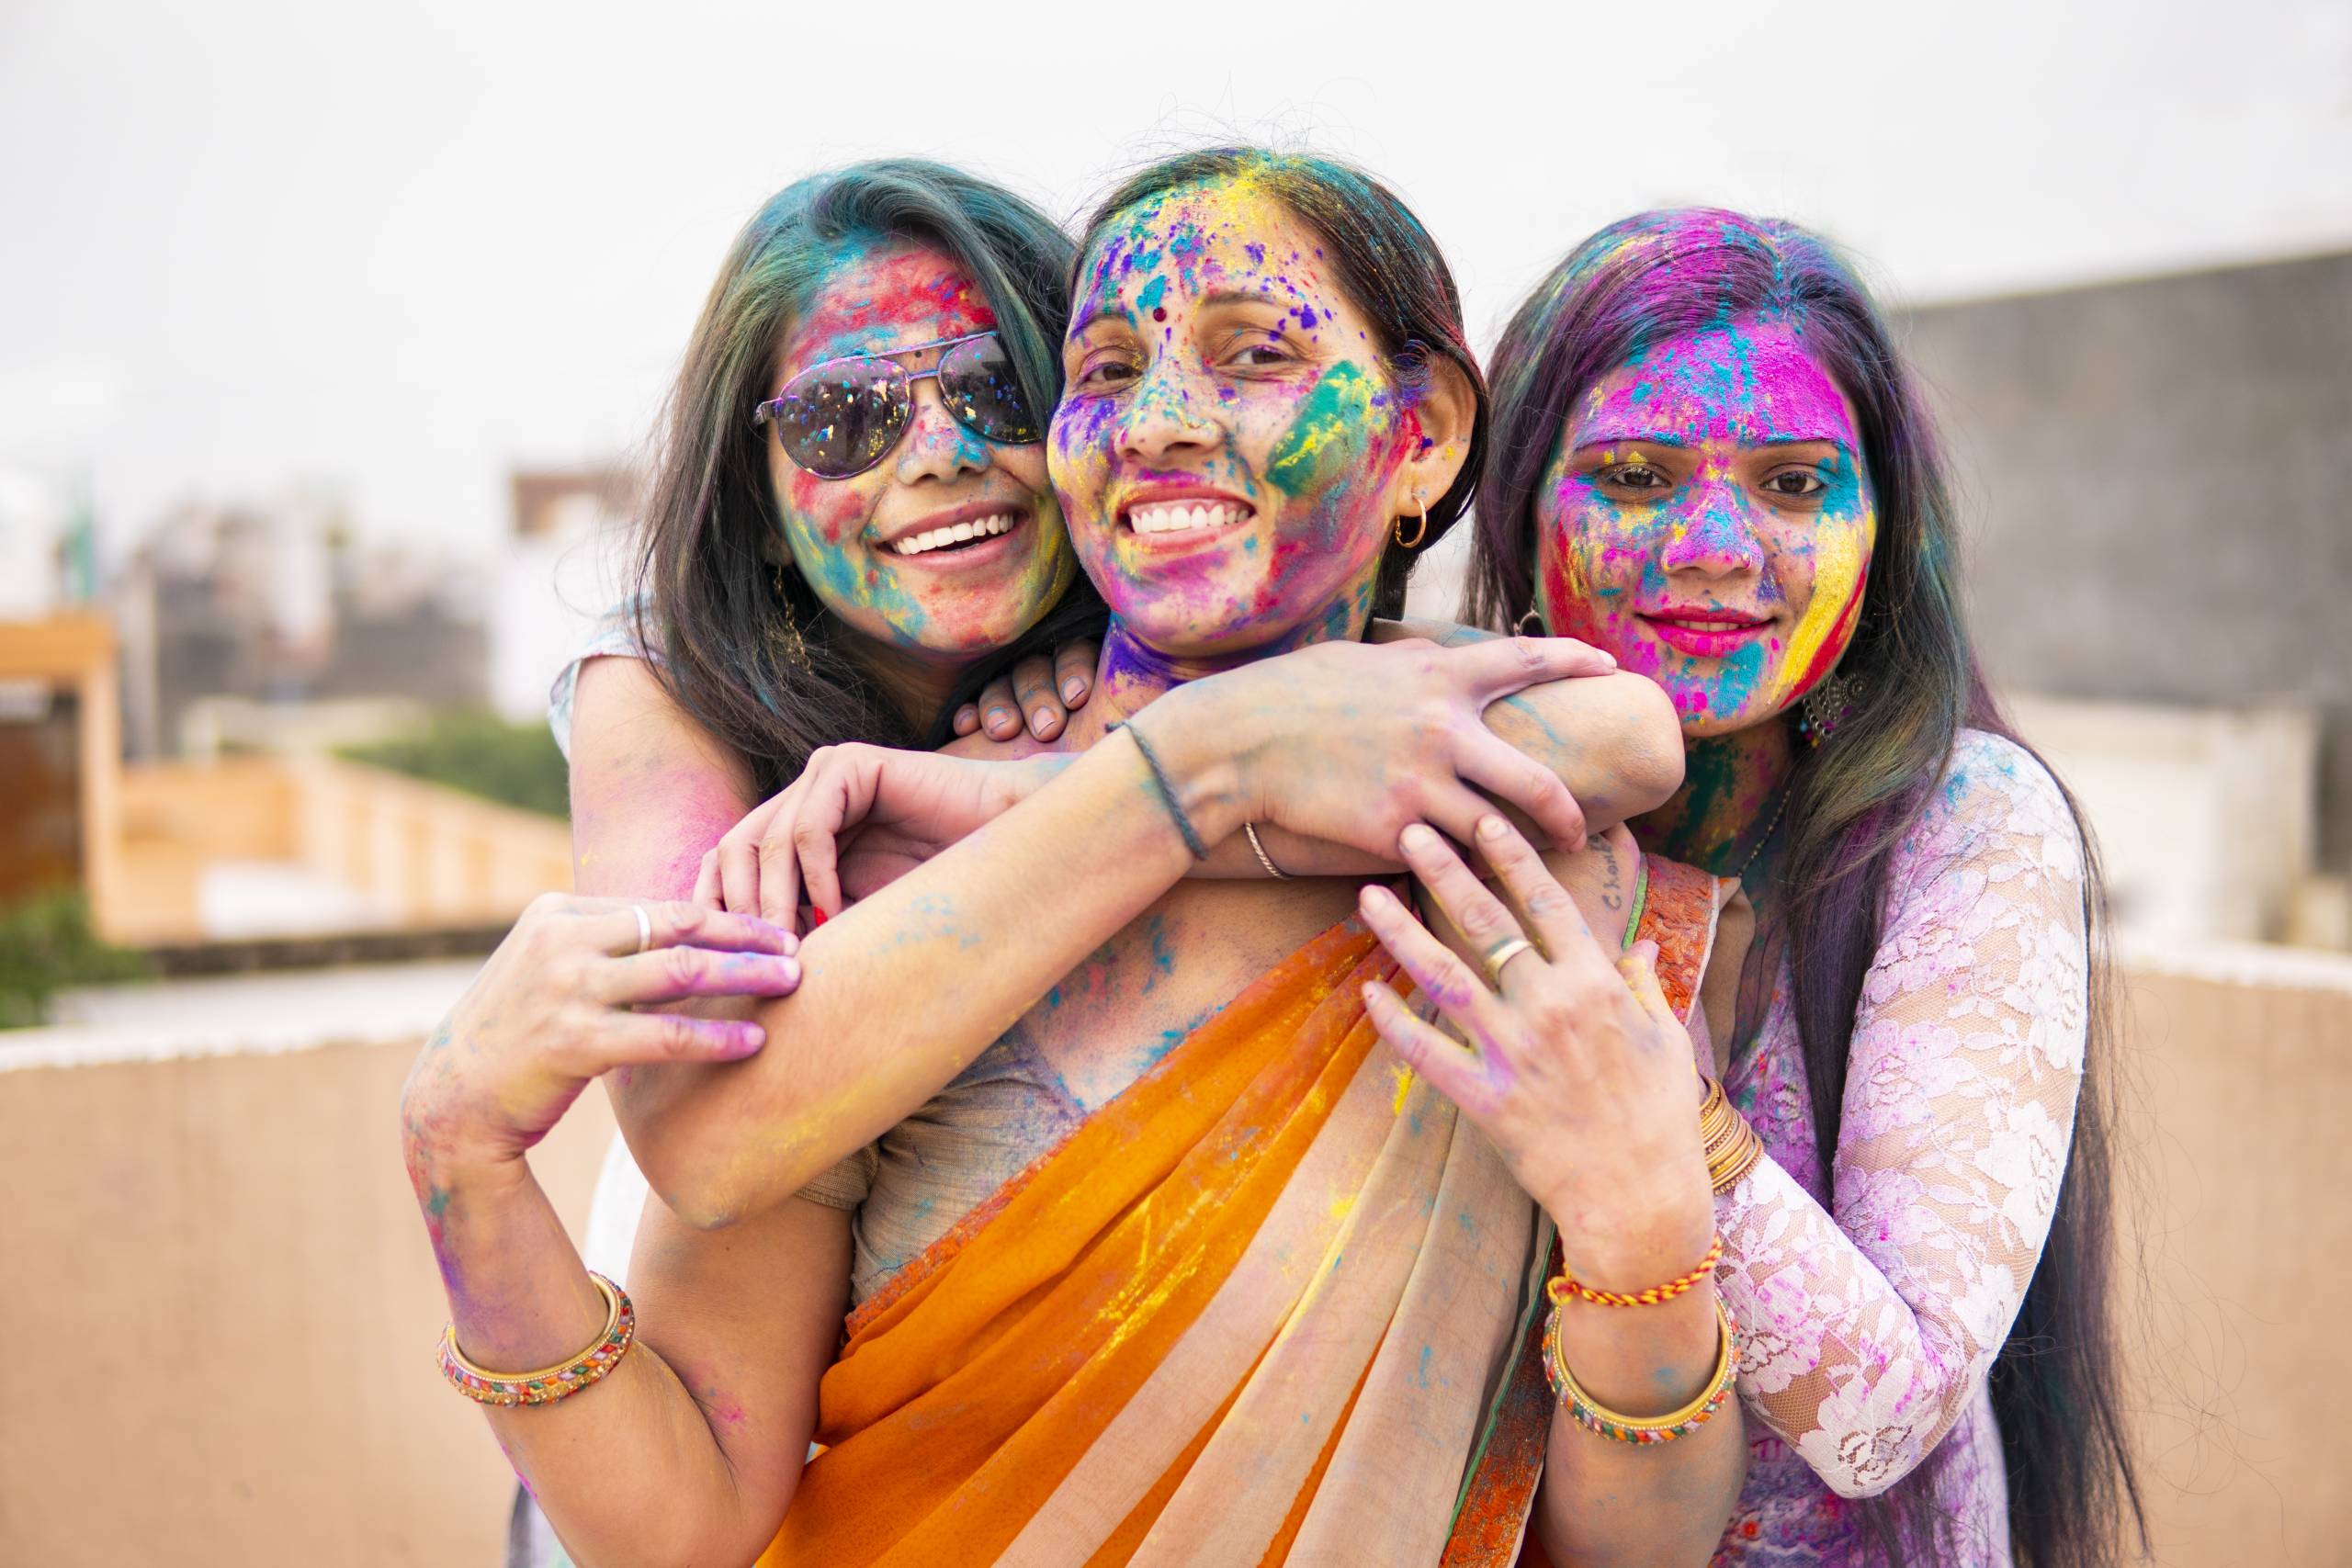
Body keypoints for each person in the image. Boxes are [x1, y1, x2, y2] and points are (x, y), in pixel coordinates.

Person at [402, 150, 1740, 1566]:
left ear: (1425, 434)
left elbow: (1633, 1551)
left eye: (1257, 354)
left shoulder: (1536, 860)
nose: (1161, 420)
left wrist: (1648, 1227)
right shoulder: (852, 874)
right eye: (1109, 366)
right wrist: (460, 1162)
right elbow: (679, 1512)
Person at [1413, 207, 2144, 1566]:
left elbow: (1886, 1416)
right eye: (1633, 477)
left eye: (1796, 486)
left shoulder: (1963, 827)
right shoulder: (1446, 782)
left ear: (1882, 535)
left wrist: (1646, 1110)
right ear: (1517, 505)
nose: (1714, 547)